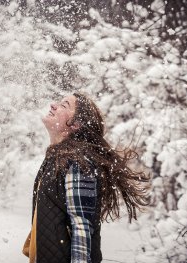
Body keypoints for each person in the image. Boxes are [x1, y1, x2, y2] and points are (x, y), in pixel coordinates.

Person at [22, 92, 151, 263]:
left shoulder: (79, 163)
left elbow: (81, 226)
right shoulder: (58, 158)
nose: (53, 105)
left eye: (64, 105)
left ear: (76, 124)